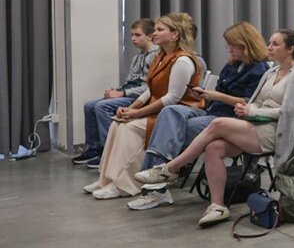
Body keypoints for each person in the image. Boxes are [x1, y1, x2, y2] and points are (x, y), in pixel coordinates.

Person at [133, 29, 294, 227]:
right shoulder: (272, 72)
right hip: (256, 125)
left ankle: (169, 169)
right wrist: (248, 108)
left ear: (290, 49)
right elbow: (257, 102)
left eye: (275, 44)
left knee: (217, 123)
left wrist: (252, 112)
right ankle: (218, 206)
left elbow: (289, 114)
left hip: (276, 132)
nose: (269, 47)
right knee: (214, 148)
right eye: (270, 42)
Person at [127, 21, 270, 210]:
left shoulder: (259, 70)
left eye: (232, 45)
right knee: (170, 111)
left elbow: (250, 103)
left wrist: (216, 95)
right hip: (211, 111)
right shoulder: (231, 66)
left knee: (174, 130)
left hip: (231, 119)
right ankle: (159, 177)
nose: (229, 50)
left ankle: (157, 184)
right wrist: (203, 94)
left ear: (245, 44)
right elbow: (216, 97)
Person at [84, 13, 203, 199]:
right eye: (155, 29)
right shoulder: (161, 57)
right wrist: (132, 108)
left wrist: (137, 113)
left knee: (130, 128)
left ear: (175, 35)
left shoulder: (182, 61)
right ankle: (107, 179)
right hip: (160, 109)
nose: (154, 33)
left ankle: (124, 185)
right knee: (117, 123)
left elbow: (173, 98)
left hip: (175, 114)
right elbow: (151, 89)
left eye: (159, 30)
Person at [74, 18, 158, 168]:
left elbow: (149, 87)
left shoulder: (156, 57)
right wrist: (116, 91)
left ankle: (110, 152)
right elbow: (131, 81)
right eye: (132, 35)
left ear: (150, 36)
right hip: (131, 93)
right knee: (90, 105)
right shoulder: (137, 57)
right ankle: (95, 148)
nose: (133, 39)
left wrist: (123, 93)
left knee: (101, 107)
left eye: (138, 35)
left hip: (142, 98)